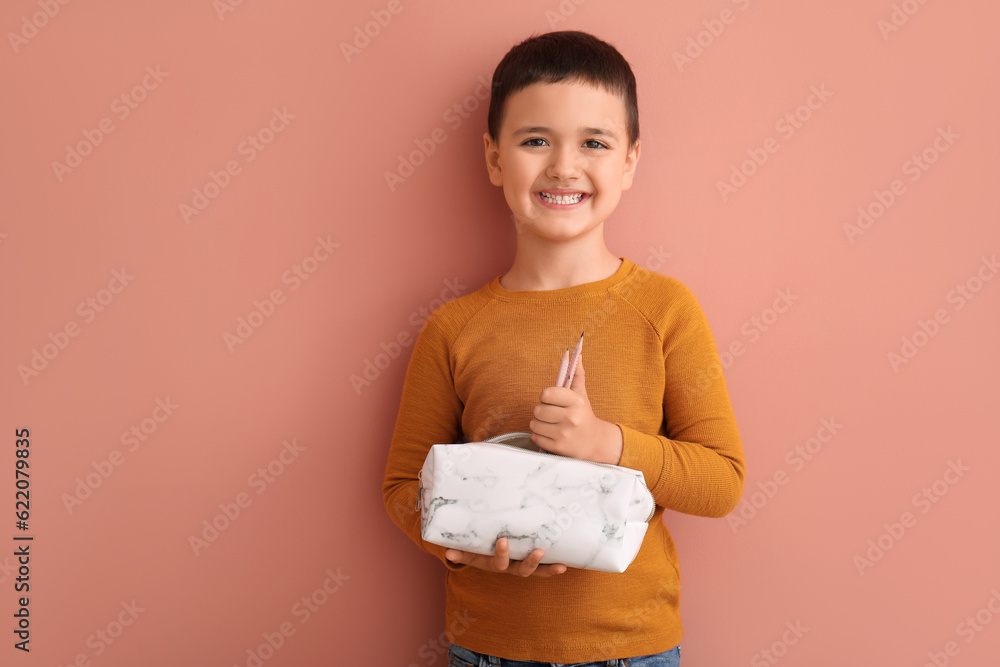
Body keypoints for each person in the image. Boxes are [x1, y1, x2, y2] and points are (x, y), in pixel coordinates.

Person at [382, 30, 745, 666]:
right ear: (495, 159)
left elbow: (722, 482)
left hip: (632, 652)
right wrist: (455, 541)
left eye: (594, 143)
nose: (563, 166)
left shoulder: (666, 310)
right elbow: (401, 486)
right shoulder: (452, 328)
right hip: (487, 648)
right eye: (535, 141)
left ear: (630, 161)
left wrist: (607, 444)